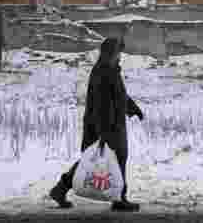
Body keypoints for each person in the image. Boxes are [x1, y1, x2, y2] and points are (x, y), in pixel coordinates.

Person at [50, 36, 144, 212]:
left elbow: (119, 95)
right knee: (105, 159)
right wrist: (104, 131)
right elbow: (101, 104)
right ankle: (119, 199)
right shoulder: (102, 71)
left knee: (96, 159)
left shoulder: (111, 69)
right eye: (118, 53)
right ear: (110, 53)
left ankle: (60, 189)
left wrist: (133, 108)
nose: (120, 56)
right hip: (105, 125)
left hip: (113, 124)